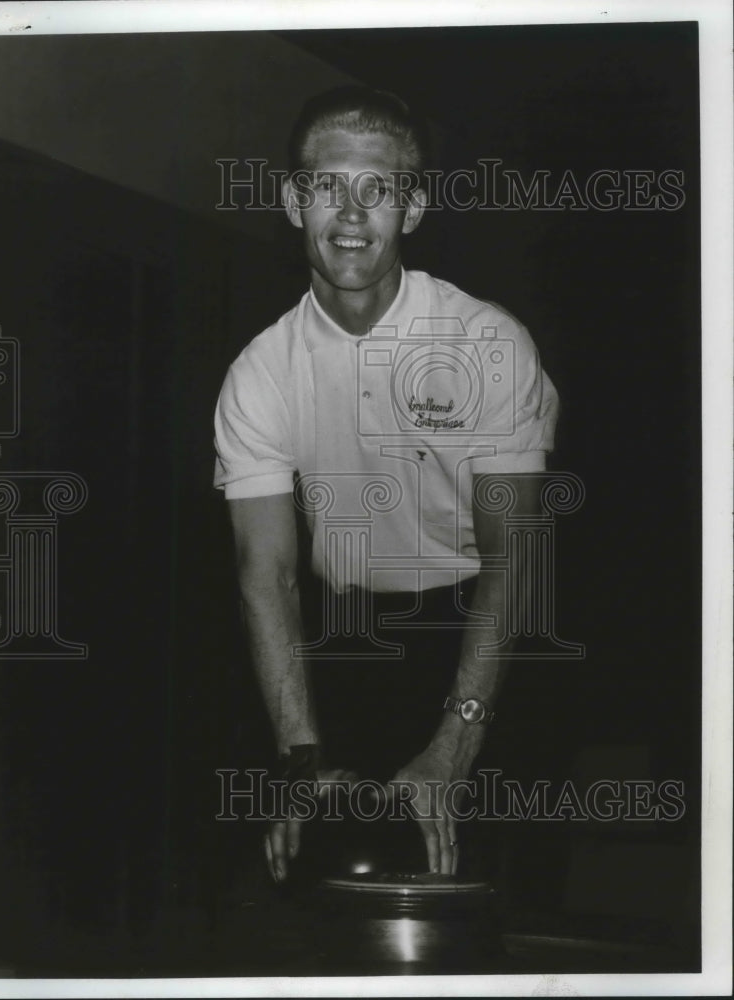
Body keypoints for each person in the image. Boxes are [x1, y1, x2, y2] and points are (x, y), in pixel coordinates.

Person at [213, 86, 559, 883]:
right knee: (330, 891)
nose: (352, 211)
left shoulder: (486, 343)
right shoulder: (260, 372)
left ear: (415, 206)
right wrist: (301, 760)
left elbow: (519, 564)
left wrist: (457, 741)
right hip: (350, 644)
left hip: (488, 631)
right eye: (327, 185)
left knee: (494, 903)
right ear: (293, 200)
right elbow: (264, 575)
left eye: (379, 188)